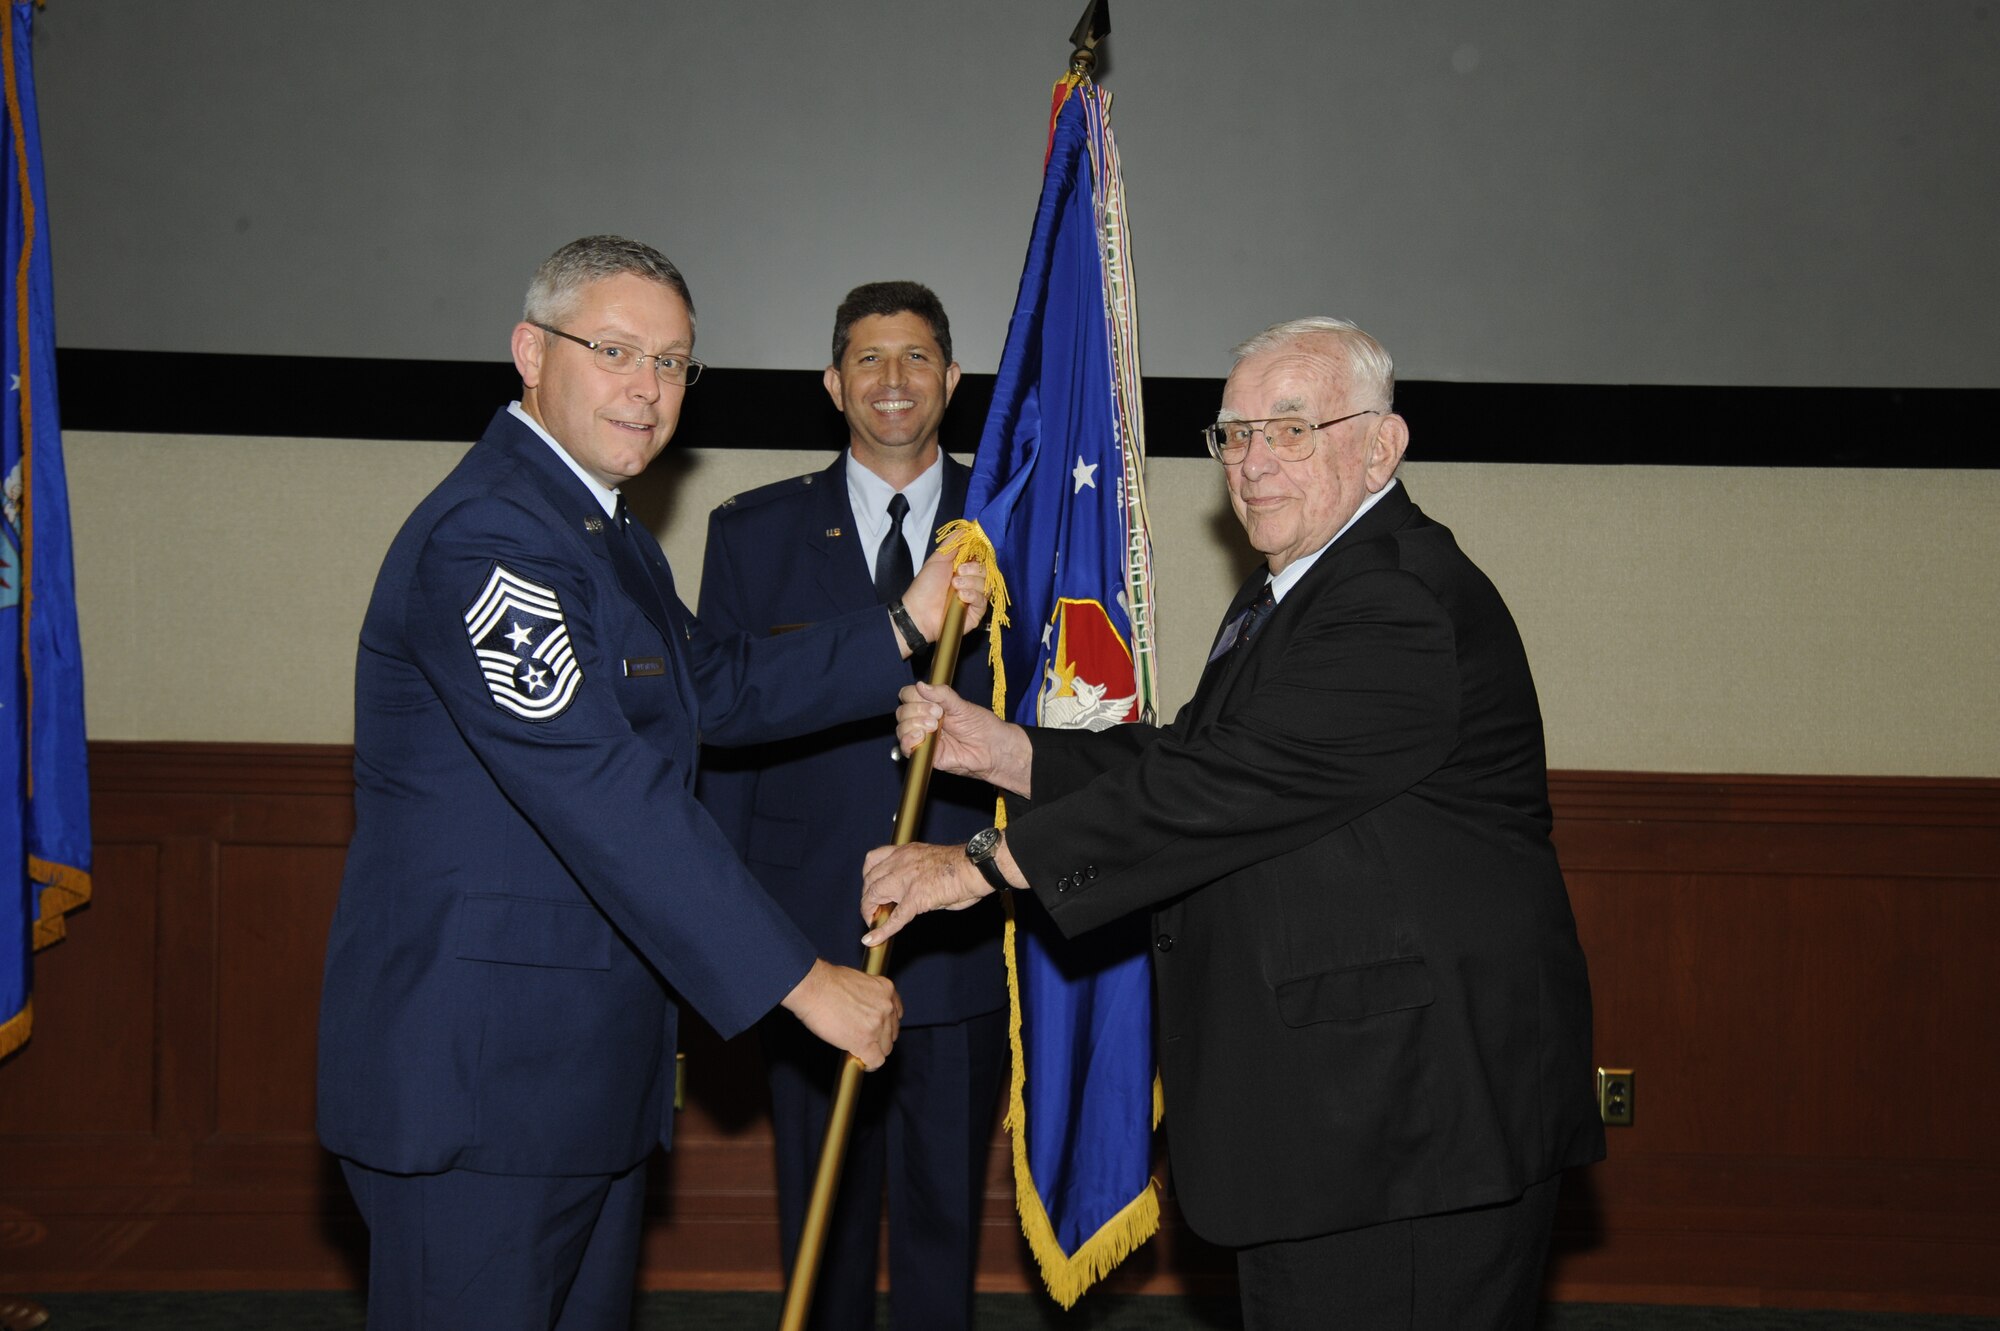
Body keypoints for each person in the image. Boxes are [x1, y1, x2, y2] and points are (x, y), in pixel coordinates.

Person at [859, 317, 1605, 1330]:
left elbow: (1225, 784)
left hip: (1407, 1125)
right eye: (1232, 434)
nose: (1249, 464)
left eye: (1289, 431)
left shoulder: (1394, 598)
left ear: (1380, 445)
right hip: (1342, 1120)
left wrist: (979, 863)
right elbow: (1201, 755)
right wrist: (1005, 751)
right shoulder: (1295, 590)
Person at [317, 237, 986, 1331]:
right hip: (482, 1086)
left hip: (575, 1084)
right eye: (616, 350)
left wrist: (900, 625)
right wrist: (799, 979)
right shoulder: (491, 537)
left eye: (673, 363)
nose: (648, 388)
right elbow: (602, 790)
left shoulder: (599, 534)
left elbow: (712, 686)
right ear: (531, 352)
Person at [697, 282, 1005, 1331]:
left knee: (941, 1233)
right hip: (808, 941)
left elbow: (1057, 727)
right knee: (820, 1236)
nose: (891, 379)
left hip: (961, 939)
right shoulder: (752, 534)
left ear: (951, 381)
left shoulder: (1012, 527)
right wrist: (729, 948)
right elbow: (724, 741)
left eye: (915, 357)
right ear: (833, 384)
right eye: (867, 359)